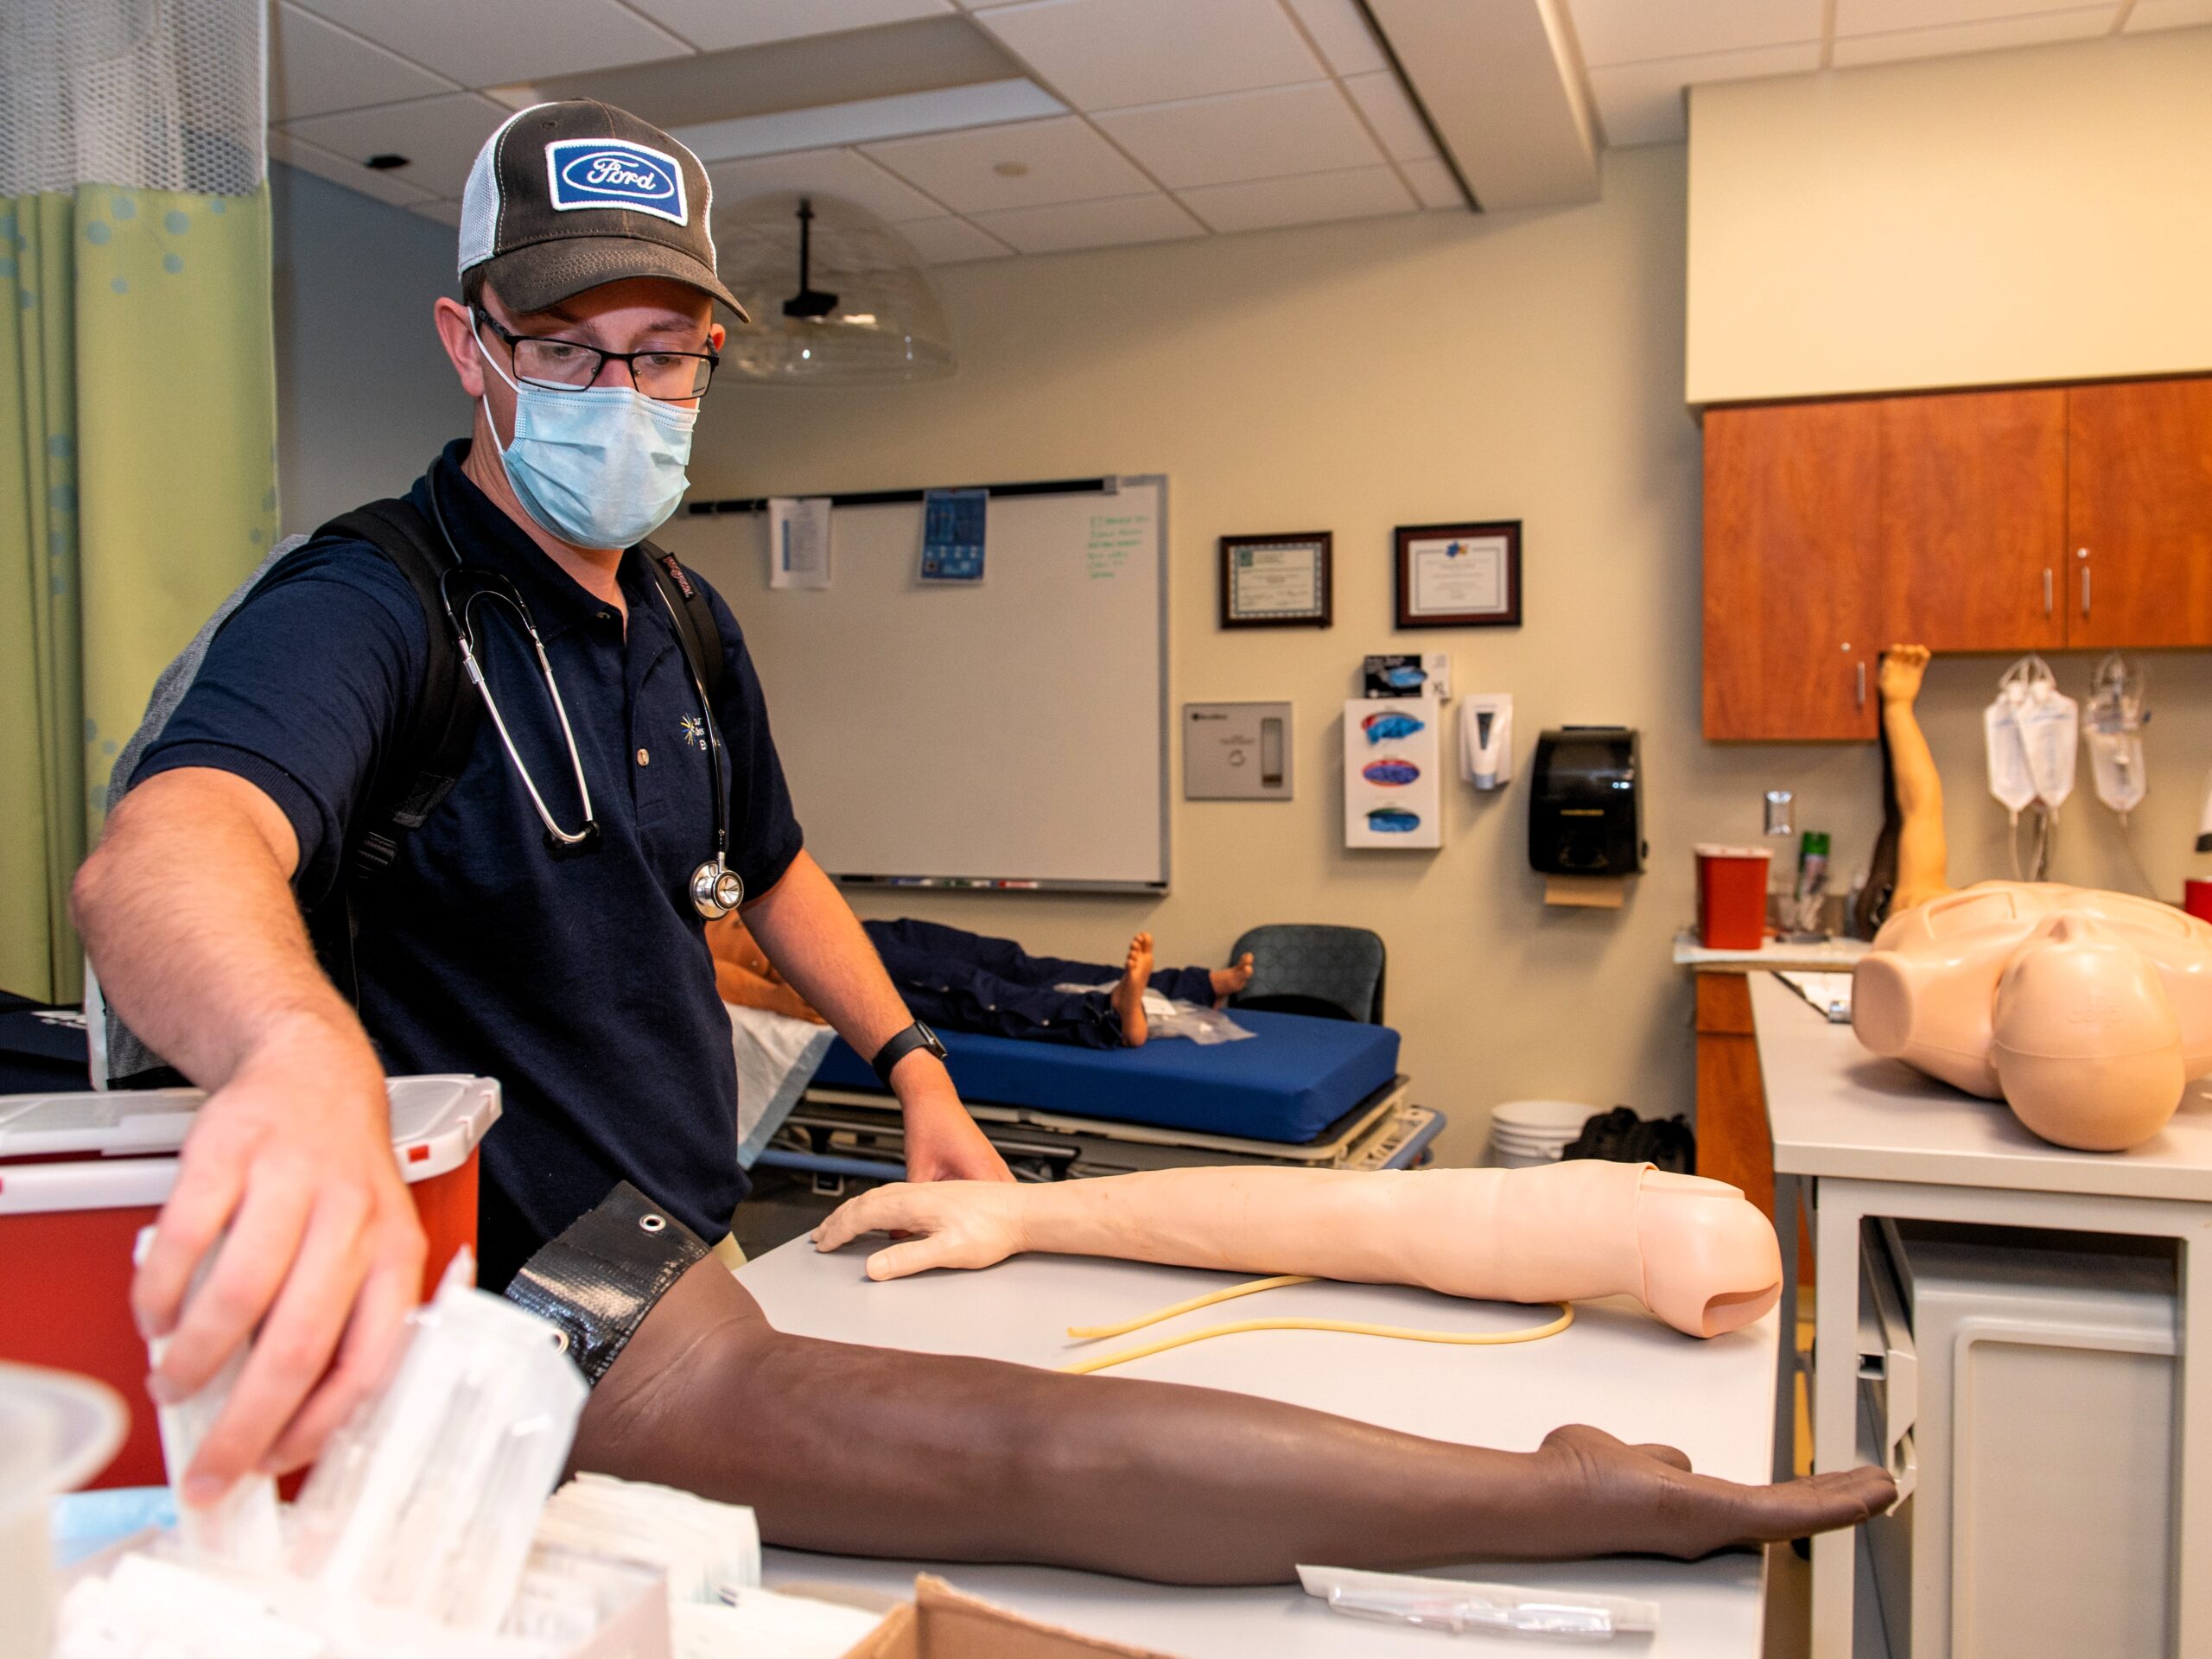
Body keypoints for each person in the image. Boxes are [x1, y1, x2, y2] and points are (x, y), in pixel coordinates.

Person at [70, 101, 1008, 1510]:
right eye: (565, 350)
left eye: (661, 358)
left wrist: (918, 1070)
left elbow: (775, 869)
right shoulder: (371, 607)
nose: (618, 396)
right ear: (470, 345)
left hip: (683, 1249)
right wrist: (292, 1053)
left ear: (709, 363)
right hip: (486, 1337)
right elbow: (166, 852)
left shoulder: (685, 617)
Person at [708, 913, 1255, 1047]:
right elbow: (714, 978)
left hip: (842, 930)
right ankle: (1108, 1020)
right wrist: (798, 995)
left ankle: (1194, 985)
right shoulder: (646, 918)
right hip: (819, 969)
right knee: (965, 987)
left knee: (1012, 961)